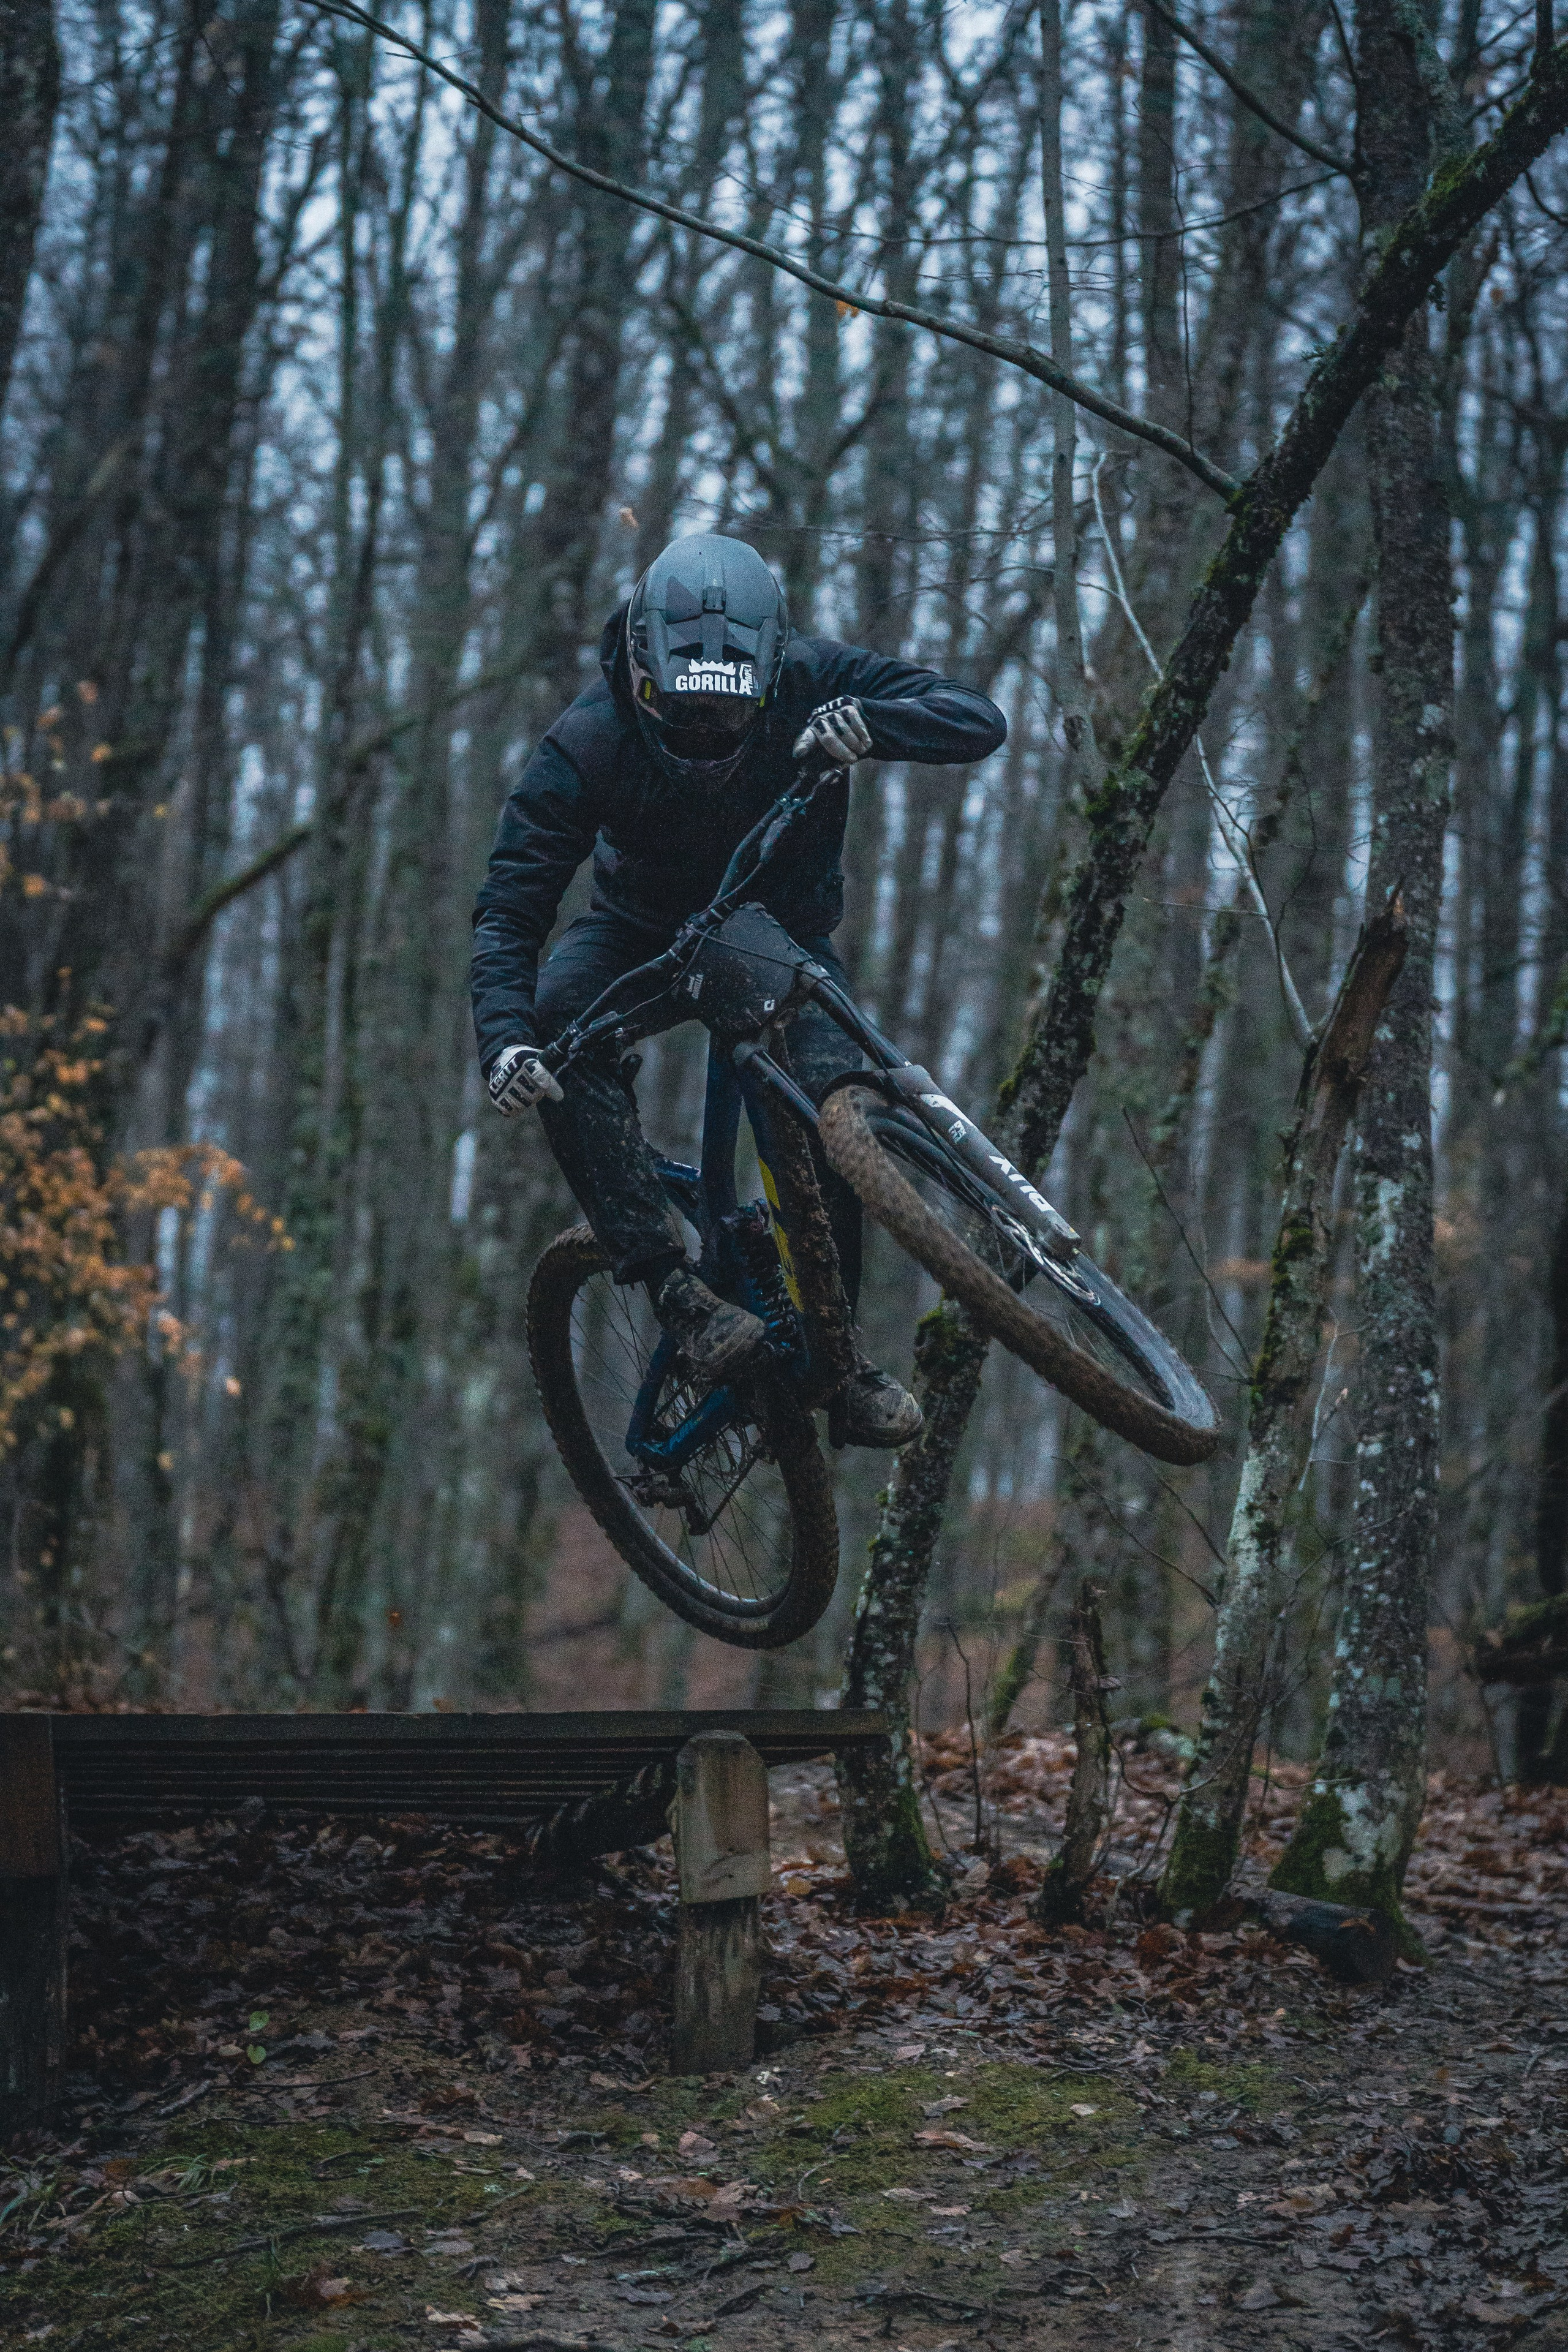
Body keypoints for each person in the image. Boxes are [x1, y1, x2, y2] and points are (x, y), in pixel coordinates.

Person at [471, 532, 1006, 1447]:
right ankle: (677, 1294)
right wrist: (507, 1043)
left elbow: (977, 717)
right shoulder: (586, 741)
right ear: (639, 674)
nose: (703, 737)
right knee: (560, 1024)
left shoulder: (812, 674)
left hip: (778, 934)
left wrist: (878, 727)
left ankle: (843, 1368)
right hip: (641, 936)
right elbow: (509, 911)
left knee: (827, 1110)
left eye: (727, 720)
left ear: (768, 676)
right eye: (678, 717)